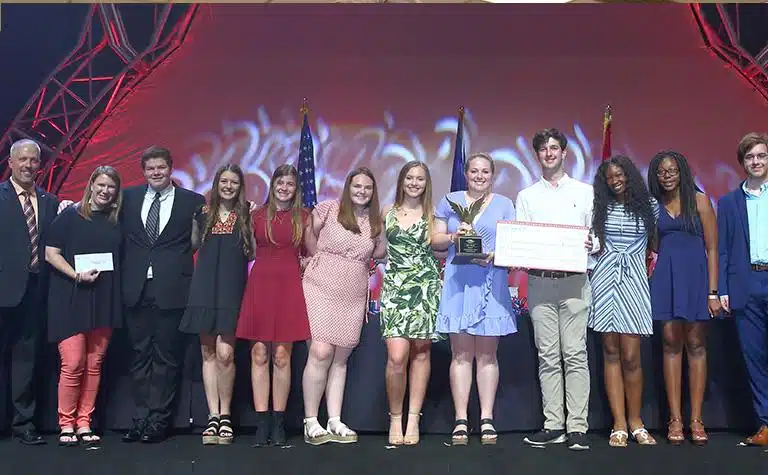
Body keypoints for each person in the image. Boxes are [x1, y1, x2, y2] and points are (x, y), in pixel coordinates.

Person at [517, 129, 598, 451]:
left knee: (575, 355)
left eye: (554, 148)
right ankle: (554, 425)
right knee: (548, 356)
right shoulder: (527, 196)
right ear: (537, 155)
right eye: (543, 149)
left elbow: (597, 235)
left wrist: (595, 243)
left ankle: (577, 426)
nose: (549, 153)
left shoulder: (586, 192)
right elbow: (521, 240)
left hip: (575, 281)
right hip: (539, 283)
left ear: (565, 153)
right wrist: (515, 254)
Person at [431, 152, 518, 446]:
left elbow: (512, 246)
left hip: (491, 282)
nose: (479, 176)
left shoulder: (506, 204)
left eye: (485, 172)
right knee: (461, 354)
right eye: (474, 171)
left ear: (492, 175)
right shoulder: (450, 200)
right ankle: (460, 419)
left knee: (487, 354)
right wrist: (455, 236)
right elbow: (435, 240)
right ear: (466, 174)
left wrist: (497, 255)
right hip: (458, 283)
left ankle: (486, 418)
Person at [120, 146, 206, 443]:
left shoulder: (192, 201)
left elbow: (197, 242)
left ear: (171, 168)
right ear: (143, 172)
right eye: (150, 168)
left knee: (167, 358)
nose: (156, 173)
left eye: (161, 167)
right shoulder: (127, 198)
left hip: (173, 290)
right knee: (139, 356)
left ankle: (159, 420)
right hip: (135, 289)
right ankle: (140, 418)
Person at [301, 167, 386, 445]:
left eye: (367, 187)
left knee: (340, 358)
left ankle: (334, 420)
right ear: (348, 187)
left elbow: (381, 251)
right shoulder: (329, 208)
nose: (362, 191)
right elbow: (308, 235)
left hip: (352, 291)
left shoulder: (375, 222)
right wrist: (318, 260)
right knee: (320, 350)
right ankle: (311, 420)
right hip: (320, 286)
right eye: (357, 186)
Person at [45, 166, 123, 448]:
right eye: (100, 185)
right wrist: (75, 275)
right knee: (73, 363)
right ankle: (66, 423)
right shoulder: (69, 214)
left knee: (94, 364)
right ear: (91, 185)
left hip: (105, 297)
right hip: (71, 296)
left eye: (110, 187)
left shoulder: (116, 220)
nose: (105, 191)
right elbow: (50, 252)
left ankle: (84, 422)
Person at [236, 164, 312, 447]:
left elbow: (312, 253)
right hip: (260, 288)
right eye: (280, 182)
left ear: (296, 188)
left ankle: (278, 422)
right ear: (273, 185)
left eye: (290, 184)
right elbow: (246, 251)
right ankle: (261, 422)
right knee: (258, 354)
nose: (284, 187)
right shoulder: (256, 215)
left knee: (282, 355)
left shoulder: (304, 218)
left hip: (289, 288)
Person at [647, 151, 720, 445]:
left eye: (672, 170)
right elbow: (651, 248)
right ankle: (675, 419)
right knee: (670, 344)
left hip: (697, 280)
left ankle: (696, 419)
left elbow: (713, 249)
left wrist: (713, 291)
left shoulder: (700, 201)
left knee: (696, 345)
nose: (667, 176)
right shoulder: (654, 206)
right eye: (662, 172)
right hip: (665, 279)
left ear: (682, 171)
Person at [179, 164, 252, 446]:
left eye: (234, 182)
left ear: (240, 185)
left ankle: (226, 415)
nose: (228, 186)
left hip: (232, 292)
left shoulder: (247, 215)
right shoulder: (202, 215)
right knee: (208, 352)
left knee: (225, 354)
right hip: (204, 290)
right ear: (216, 183)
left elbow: (255, 251)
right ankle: (213, 415)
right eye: (224, 181)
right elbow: (191, 246)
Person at [589, 155, 659, 447]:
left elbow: (654, 247)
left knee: (632, 355)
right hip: (604, 280)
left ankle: (636, 421)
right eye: (609, 177)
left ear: (629, 175)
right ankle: (618, 423)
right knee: (611, 352)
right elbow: (591, 243)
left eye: (620, 175)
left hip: (634, 282)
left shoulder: (650, 207)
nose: (615, 181)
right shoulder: (599, 209)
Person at [379, 161, 444, 446]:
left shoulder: (434, 216)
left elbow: (441, 246)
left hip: (425, 287)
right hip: (394, 287)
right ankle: (395, 417)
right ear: (402, 180)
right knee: (396, 357)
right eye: (409, 177)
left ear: (426, 183)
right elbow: (379, 249)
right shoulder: (386, 212)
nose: (414, 183)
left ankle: (413, 418)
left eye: (420, 178)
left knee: (420, 352)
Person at [0, 139, 60, 445]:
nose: (28, 165)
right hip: (2, 292)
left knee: (26, 360)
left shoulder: (50, 202)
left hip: (36, 293)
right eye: (22, 160)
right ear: (10, 163)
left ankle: (23, 423)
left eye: (34, 161)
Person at [718, 132, 768, 446]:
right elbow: (722, 249)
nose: (756, 162)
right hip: (746, 284)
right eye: (750, 157)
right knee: (755, 358)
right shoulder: (728, 203)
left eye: (761, 156)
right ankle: (765, 424)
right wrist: (721, 288)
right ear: (742, 163)